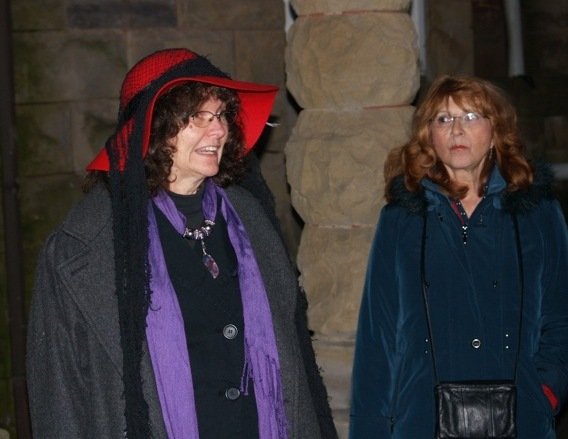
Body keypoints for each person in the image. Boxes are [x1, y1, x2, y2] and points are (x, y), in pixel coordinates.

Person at [26, 48, 336, 439]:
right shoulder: (83, 247)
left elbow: (297, 369)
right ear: (153, 130)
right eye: (197, 117)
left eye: (221, 115)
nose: (218, 130)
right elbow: (58, 401)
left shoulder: (251, 221)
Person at [349, 75, 568, 438]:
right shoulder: (402, 220)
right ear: (428, 136)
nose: (456, 130)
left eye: (471, 116)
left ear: (495, 130)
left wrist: (544, 393)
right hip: (422, 422)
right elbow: (378, 338)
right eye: (443, 119)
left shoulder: (537, 213)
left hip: (520, 421)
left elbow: (561, 316)